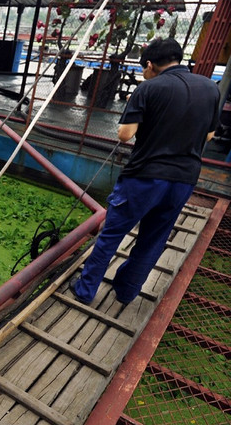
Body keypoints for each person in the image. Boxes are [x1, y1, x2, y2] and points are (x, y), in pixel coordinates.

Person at [70, 37, 220, 306]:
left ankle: (85, 290)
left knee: (112, 235)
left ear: (150, 64)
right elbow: (208, 136)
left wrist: (139, 109)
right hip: (183, 179)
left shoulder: (148, 88)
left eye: (143, 68)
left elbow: (125, 134)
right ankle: (126, 292)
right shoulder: (210, 88)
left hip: (144, 177)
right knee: (153, 240)